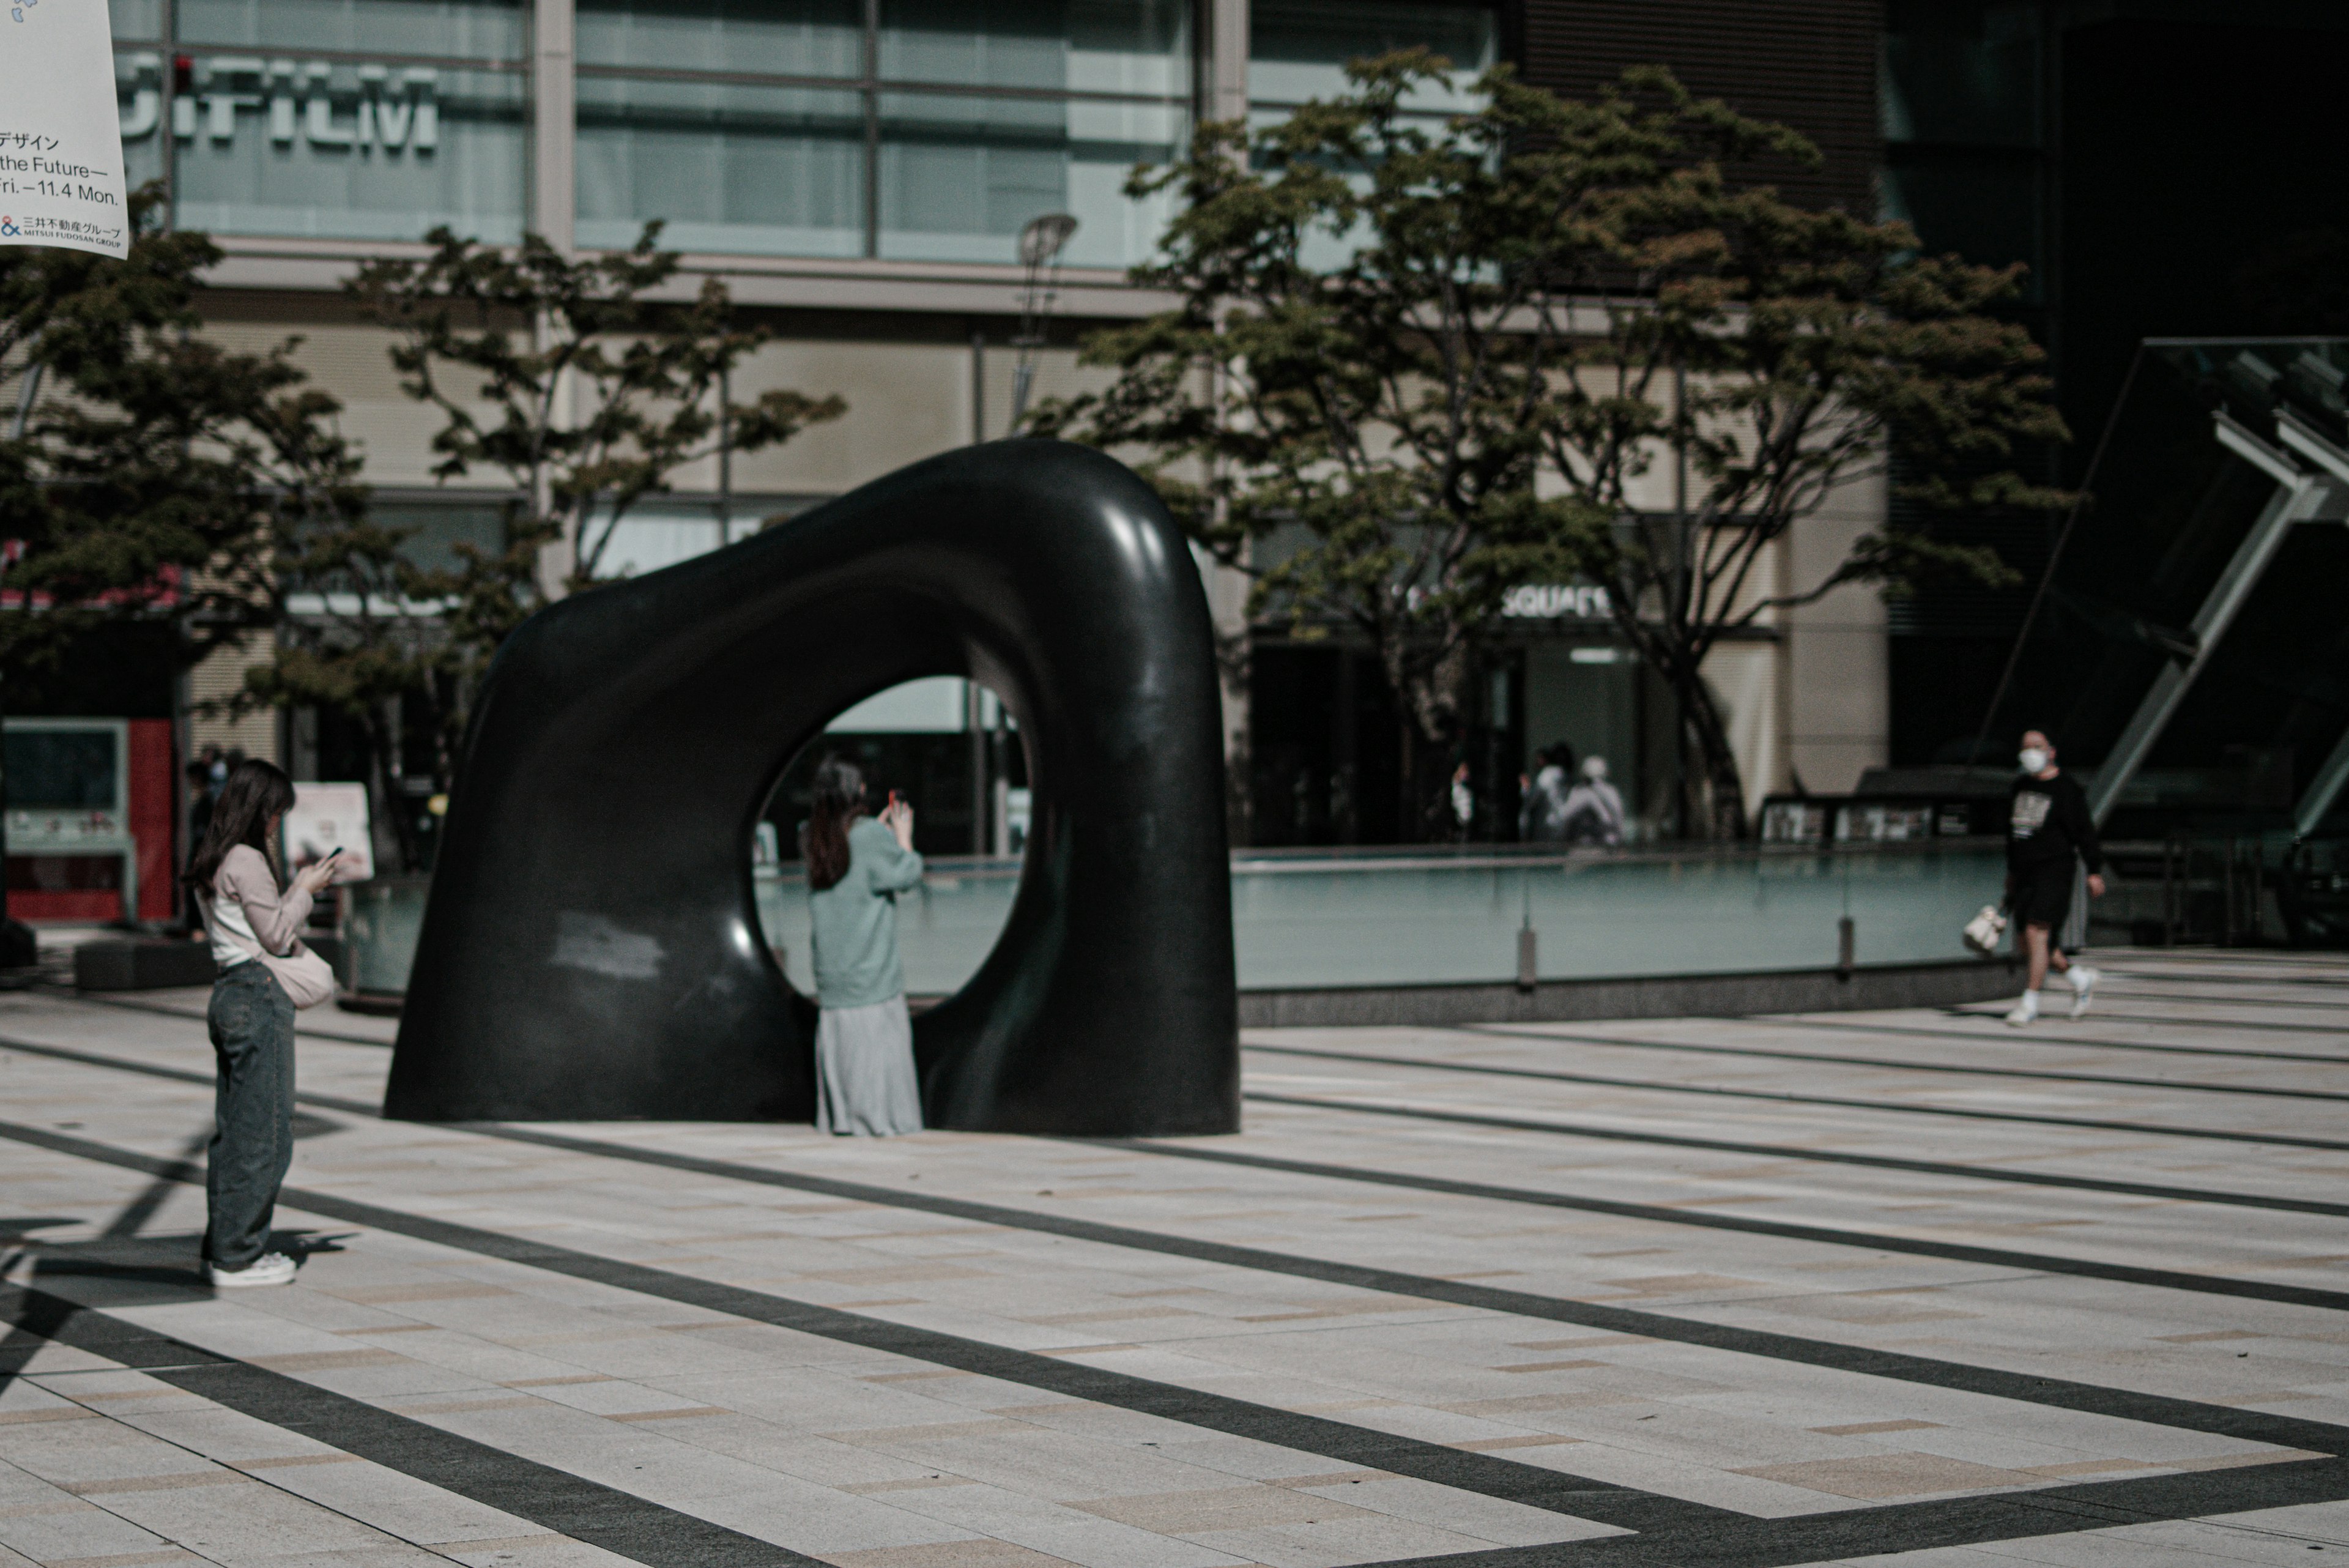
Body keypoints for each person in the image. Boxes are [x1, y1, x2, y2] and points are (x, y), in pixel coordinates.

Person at [182, 759, 340, 1287]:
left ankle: (224, 1245)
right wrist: (306, 888)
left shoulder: (212, 857)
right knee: (265, 1133)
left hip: (228, 990)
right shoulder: (247, 859)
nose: (276, 822)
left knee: (236, 1131)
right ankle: (240, 1255)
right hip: (257, 992)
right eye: (275, 811)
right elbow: (274, 934)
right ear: (260, 808)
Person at [804, 756, 926, 1135]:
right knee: (879, 1053)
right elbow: (907, 875)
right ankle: (881, 1121)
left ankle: (842, 1120)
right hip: (872, 977)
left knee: (843, 1052)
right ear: (856, 791)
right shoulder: (871, 836)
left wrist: (879, 833)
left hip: (834, 979)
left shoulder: (811, 836)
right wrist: (902, 838)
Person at [2003, 729, 2105, 1026]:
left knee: (2038, 933)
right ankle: (2079, 979)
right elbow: (2011, 837)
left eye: (2037, 747)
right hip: (2024, 873)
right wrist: (2010, 873)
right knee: (2029, 943)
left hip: (2055, 871)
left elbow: (2084, 831)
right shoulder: (2019, 787)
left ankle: (2030, 1002)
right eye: (2025, 748)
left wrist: (2094, 870)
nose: (2031, 753)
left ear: (2051, 752)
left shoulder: (2066, 789)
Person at [1560, 756, 1627, 847]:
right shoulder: (1612, 791)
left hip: (1590, 847)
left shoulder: (1582, 792)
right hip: (1612, 845)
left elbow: (1564, 816)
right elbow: (1619, 819)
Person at [1518, 744, 1575, 842]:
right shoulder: (1564, 775)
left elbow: (1533, 799)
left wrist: (1525, 787)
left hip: (1548, 824)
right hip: (1563, 822)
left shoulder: (1548, 775)